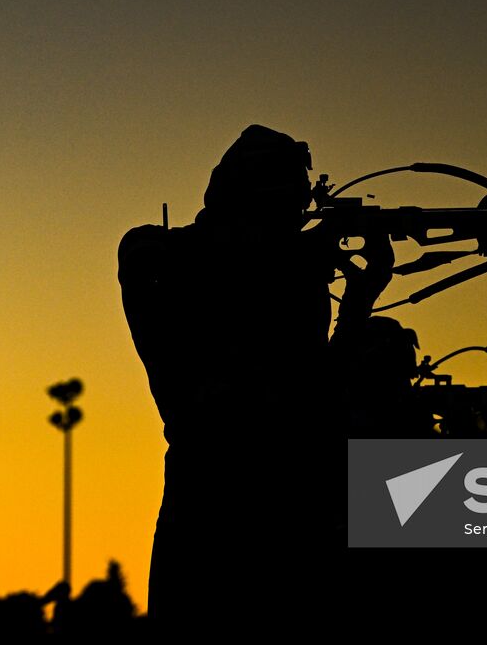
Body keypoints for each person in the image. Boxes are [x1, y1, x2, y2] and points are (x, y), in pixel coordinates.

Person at [118, 125, 390, 625]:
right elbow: (264, 392)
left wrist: (356, 305)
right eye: (287, 204)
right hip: (216, 523)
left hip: (286, 516)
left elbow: (318, 398)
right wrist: (295, 259)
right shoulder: (161, 261)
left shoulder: (282, 269)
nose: (297, 219)